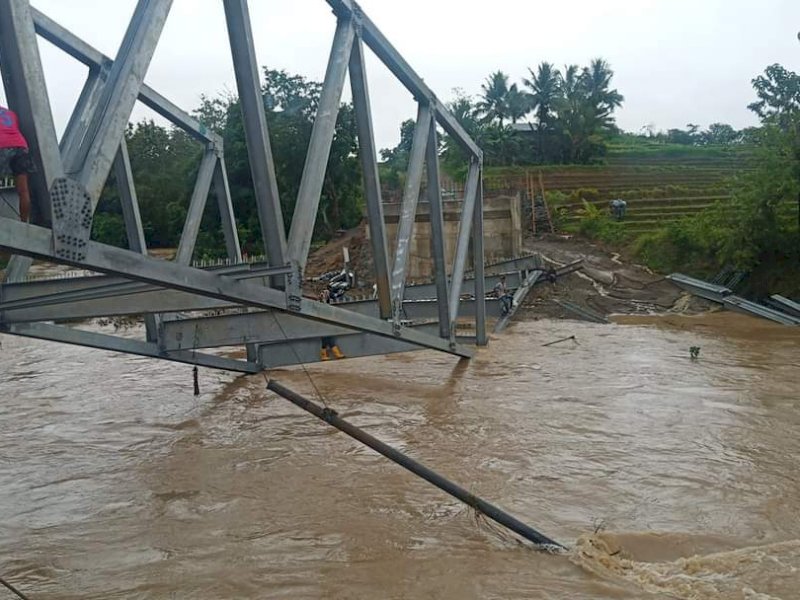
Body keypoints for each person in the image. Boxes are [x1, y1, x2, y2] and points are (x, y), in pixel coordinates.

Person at [0, 105, 33, 222]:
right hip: (20, 145)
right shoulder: (10, 113)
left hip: (2, 145)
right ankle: (24, 223)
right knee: (23, 190)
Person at [319, 287, 345, 361]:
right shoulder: (322, 302)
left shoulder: (324, 301)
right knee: (327, 338)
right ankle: (335, 354)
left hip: (325, 323)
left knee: (327, 339)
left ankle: (326, 355)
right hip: (323, 323)